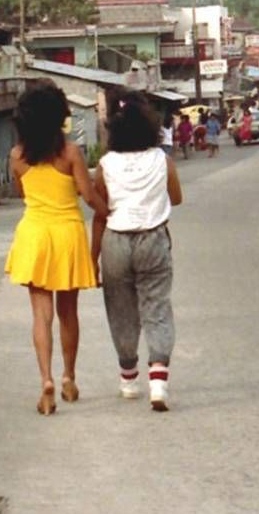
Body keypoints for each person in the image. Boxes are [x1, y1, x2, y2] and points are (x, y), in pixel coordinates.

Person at [4, 84, 109, 416]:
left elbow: (23, 193)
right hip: (67, 236)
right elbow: (89, 197)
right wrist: (110, 212)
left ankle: (45, 380)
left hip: (34, 235)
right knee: (68, 313)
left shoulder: (16, 156)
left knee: (40, 315)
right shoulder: (71, 152)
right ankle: (68, 377)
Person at [92, 92, 183, 412]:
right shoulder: (163, 160)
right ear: (151, 129)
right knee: (156, 308)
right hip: (154, 239)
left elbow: (99, 210)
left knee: (121, 310)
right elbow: (177, 197)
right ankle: (158, 383)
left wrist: (93, 257)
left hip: (116, 240)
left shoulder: (105, 165)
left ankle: (129, 380)